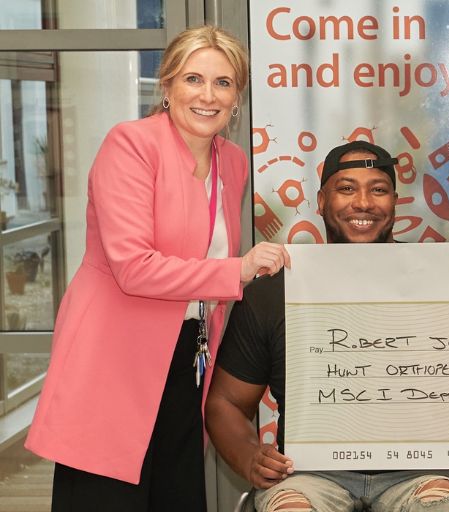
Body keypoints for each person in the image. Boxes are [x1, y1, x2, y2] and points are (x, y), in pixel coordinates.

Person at [24, 26, 290, 511]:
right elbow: (133, 267)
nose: (208, 96)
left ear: (237, 97)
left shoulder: (232, 162)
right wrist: (238, 270)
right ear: (166, 86)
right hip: (114, 359)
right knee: (106, 500)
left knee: (176, 497)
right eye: (193, 79)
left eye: (223, 83)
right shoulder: (130, 144)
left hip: (188, 361)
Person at [206, 140, 449, 512]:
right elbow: (226, 402)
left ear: (394, 202)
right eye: (346, 189)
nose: (363, 203)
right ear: (321, 201)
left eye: (378, 190)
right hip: (309, 476)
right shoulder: (274, 293)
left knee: (442, 507)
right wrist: (249, 456)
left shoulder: (445, 287)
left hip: (423, 473)